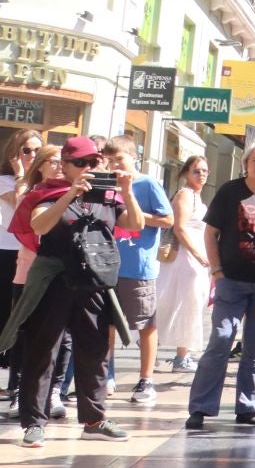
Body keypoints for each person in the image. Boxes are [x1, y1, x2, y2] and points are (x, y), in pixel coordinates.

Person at [3, 135, 146, 445]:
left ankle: (94, 419)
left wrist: (127, 191)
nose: (88, 167)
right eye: (80, 162)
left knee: (95, 352)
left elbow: (135, 224)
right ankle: (34, 422)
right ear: (65, 165)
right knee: (43, 351)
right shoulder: (48, 192)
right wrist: (70, 194)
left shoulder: (108, 196)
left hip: (93, 282)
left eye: (94, 162)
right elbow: (39, 226)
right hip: (55, 282)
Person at [185, 139, 255, 429]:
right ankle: (200, 407)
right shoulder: (230, 191)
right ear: (245, 163)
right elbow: (210, 233)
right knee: (221, 340)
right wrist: (217, 271)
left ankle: (249, 407)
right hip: (231, 281)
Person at [103, 136, 171, 407]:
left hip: (138, 267)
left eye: (119, 159)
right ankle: (106, 374)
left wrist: (136, 216)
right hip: (107, 265)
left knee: (145, 324)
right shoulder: (106, 184)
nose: (114, 165)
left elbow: (168, 219)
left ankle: (146, 379)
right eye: (109, 160)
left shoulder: (148, 184)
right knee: (106, 323)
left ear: (134, 158)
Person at [7, 144, 64, 412]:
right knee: (25, 331)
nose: (60, 166)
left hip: (61, 274)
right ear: (40, 166)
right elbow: (29, 231)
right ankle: (20, 390)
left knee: (63, 337)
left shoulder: (74, 194)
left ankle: (54, 391)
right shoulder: (32, 194)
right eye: (53, 161)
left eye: (63, 161)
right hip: (29, 271)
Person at [155, 155, 210, 372]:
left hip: (194, 256)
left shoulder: (196, 196)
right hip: (185, 258)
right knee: (186, 304)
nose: (201, 174)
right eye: (196, 170)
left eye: (204, 170)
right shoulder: (185, 195)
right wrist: (198, 255)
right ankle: (180, 356)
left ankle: (169, 348)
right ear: (186, 173)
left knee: (186, 304)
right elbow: (179, 228)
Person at [0, 126, 43, 398]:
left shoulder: (44, 181)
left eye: (38, 150)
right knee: (5, 312)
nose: (32, 155)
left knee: (26, 316)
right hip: (6, 251)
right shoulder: (6, 180)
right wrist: (20, 175)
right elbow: (20, 205)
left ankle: (18, 379)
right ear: (15, 154)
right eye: (27, 150)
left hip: (33, 254)